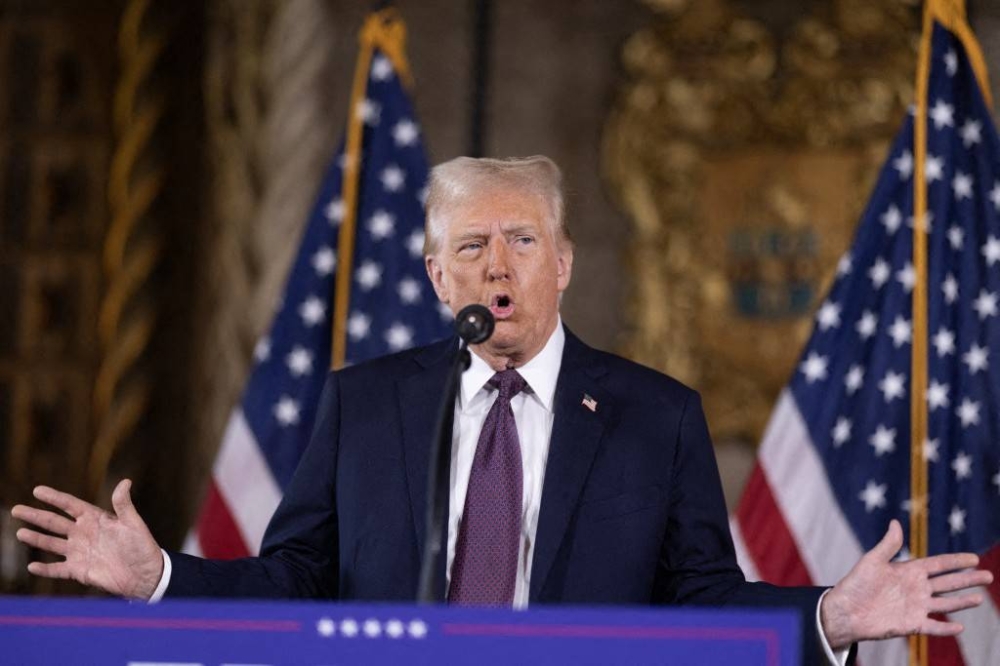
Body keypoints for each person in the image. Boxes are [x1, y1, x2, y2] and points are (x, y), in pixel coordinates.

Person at [12, 156, 992, 665]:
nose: (497, 264)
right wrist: (160, 580)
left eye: (521, 239)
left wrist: (831, 614)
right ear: (439, 278)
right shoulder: (367, 406)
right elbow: (298, 580)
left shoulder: (657, 417)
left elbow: (701, 602)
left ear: (562, 264)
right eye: (471, 246)